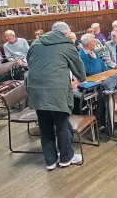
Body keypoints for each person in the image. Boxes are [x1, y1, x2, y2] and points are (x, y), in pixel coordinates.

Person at [27, 22, 86, 170]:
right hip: (57, 91)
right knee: (62, 124)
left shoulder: (36, 43)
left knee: (44, 126)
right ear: (66, 33)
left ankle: (50, 161)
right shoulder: (67, 45)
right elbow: (80, 73)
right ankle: (66, 158)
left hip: (36, 90)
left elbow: (30, 62)